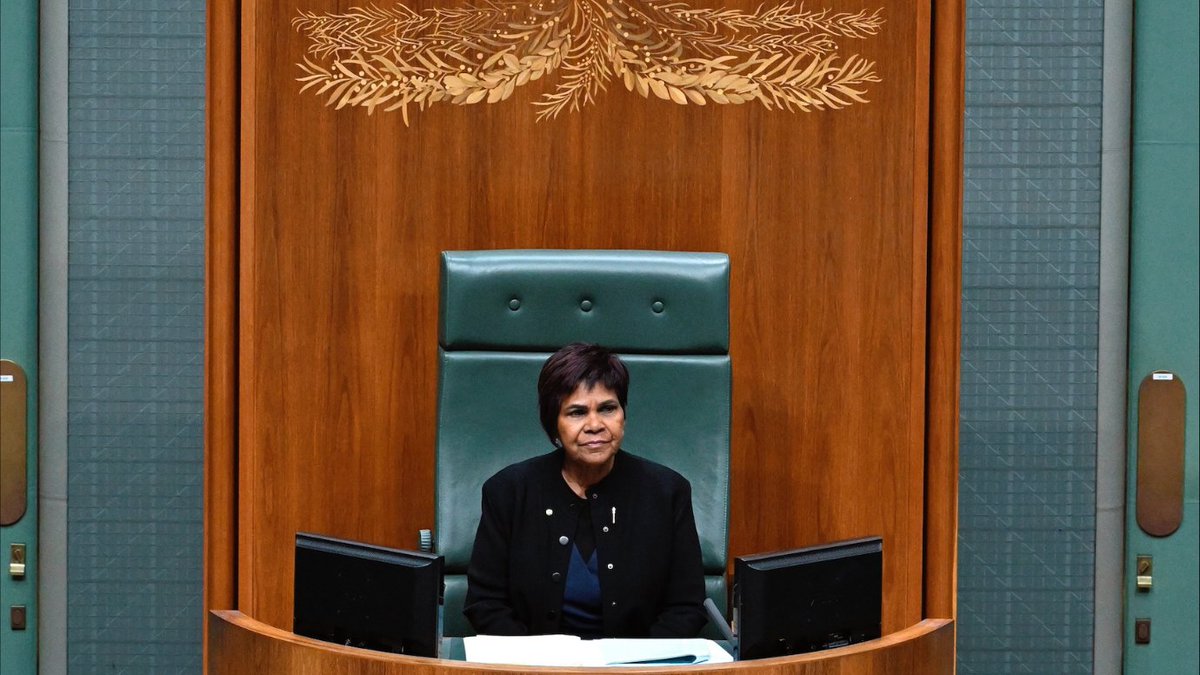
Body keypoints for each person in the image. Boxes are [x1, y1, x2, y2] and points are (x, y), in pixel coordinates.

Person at [463, 343, 707, 638]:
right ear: (553, 426)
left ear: (623, 416)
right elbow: (485, 604)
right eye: (577, 412)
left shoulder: (668, 492)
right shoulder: (508, 491)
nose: (595, 425)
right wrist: (535, 665)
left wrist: (637, 666)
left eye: (607, 409)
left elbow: (686, 607)